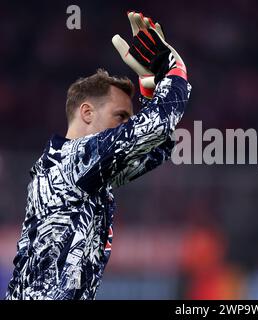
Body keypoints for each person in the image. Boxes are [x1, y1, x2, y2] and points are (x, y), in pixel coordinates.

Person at [5, 11, 191, 300]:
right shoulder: (74, 161)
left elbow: (159, 146)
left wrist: (150, 89)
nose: (128, 124)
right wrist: (174, 70)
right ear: (87, 112)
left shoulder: (81, 170)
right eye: (120, 116)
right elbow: (157, 126)